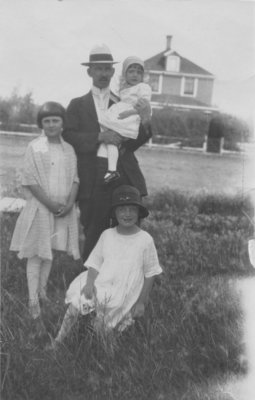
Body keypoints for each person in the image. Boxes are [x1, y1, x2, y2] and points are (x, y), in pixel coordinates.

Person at [62, 44, 152, 262]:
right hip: (93, 178)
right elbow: (69, 135)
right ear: (89, 71)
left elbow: (138, 139)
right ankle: (88, 284)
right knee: (94, 229)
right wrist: (99, 137)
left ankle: (124, 281)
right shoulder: (77, 105)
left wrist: (146, 119)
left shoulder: (123, 100)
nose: (103, 73)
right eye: (98, 68)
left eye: (107, 69)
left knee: (128, 230)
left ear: (113, 72)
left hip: (124, 173)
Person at [48, 185, 162, 349]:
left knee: (104, 326)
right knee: (76, 304)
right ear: (115, 213)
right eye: (122, 209)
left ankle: (110, 355)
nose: (127, 214)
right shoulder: (107, 235)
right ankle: (58, 341)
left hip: (125, 289)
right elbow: (95, 262)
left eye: (132, 209)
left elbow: (151, 273)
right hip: (101, 282)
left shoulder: (145, 240)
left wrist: (141, 302)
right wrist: (89, 283)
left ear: (138, 213)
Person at [10, 102, 80, 334]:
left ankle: (43, 293)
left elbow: (75, 179)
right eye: (46, 121)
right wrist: (49, 203)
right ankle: (32, 304)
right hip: (41, 207)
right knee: (36, 253)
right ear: (41, 124)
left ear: (62, 124)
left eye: (55, 121)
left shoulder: (68, 149)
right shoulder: (35, 147)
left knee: (49, 251)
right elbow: (30, 179)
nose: (51, 125)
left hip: (61, 209)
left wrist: (69, 203)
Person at [97, 56, 152, 185]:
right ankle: (111, 170)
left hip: (130, 118)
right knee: (111, 140)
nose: (135, 75)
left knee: (115, 139)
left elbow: (143, 106)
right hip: (120, 116)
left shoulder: (143, 87)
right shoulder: (121, 91)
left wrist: (133, 113)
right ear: (124, 74)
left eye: (139, 72)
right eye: (131, 71)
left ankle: (112, 170)